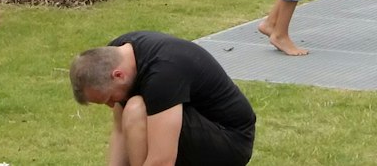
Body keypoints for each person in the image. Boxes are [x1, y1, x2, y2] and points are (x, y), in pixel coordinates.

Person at [70, 32, 258, 165]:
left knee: (136, 110)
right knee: (133, 111)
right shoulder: (115, 55)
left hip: (231, 142)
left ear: (118, 75)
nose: (112, 105)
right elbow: (120, 131)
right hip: (197, 123)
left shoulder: (163, 74)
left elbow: (162, 160)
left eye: (110, 98)